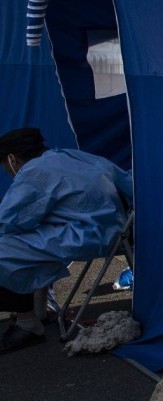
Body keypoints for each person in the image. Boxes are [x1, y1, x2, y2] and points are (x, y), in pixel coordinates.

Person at [0, 128, 132, 354]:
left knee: (7, 247)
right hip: (122, 229)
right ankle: (38, 308)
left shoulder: (33, 172)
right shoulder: (74, 156)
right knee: (32, 240)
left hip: (89, 237)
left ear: (12, 159)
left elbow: (8, 220)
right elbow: (128, 184)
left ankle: (27, 324)